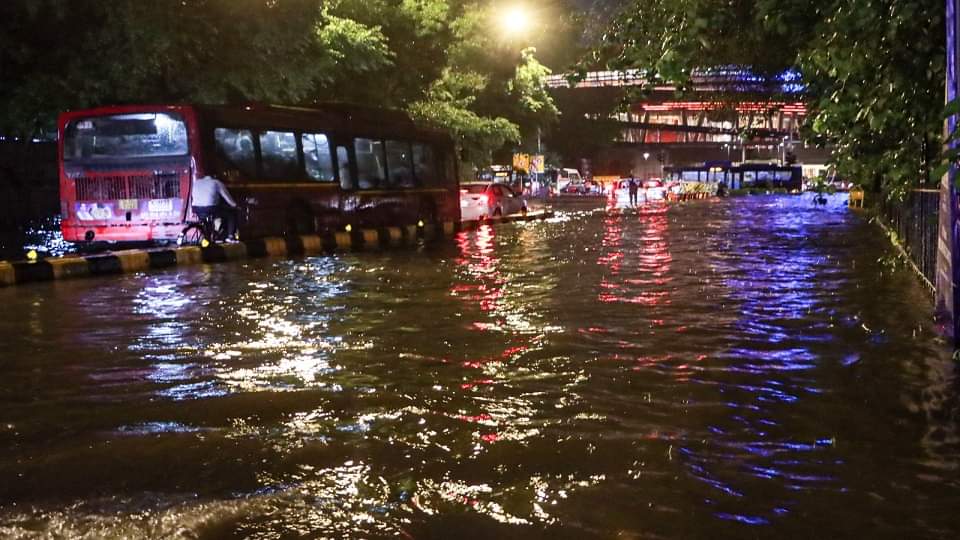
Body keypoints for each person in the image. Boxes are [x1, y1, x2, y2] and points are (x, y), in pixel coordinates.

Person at [191, 173, 238, 241]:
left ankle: (210, 235)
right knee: (230, 214)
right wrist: (235, 205)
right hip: (210, 208)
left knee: (207, 220)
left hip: (196, 208)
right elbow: (227, 197)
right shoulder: (216, 182)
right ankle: (230, 236)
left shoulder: (197, 182)